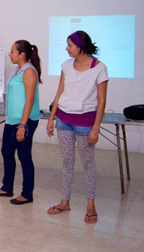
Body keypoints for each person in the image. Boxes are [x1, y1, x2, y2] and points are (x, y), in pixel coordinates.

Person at [46, 31, 108, 224]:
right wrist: (51, 118)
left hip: (85, 122)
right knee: (67, 162)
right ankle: (65, 201)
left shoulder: (99, 68)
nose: (67, 48)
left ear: (81, 46)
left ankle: (91, 205)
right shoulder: (66, 65)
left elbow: (102, 100)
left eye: (70, 44)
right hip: (64, 120)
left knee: (88, 164)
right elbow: (60, 92)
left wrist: (96, 127)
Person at [0, 40, 42, 204]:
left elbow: (29, 100)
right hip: (12, 120)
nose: (10, 54)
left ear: (22, 54)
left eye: (12, 51)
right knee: (6, 151)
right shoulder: (16, 70)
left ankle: (27, 193)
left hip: (24, 121)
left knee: (24, 156)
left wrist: (22, 125)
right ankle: (7, 187)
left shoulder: (29, 72)